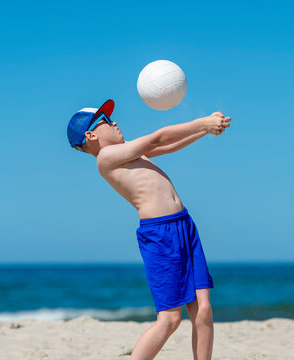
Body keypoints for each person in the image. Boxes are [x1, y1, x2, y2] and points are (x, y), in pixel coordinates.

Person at [66, 99, 231, 360]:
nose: (115, 122)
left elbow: (168, 145)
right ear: (91, 135)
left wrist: (204, 132)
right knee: (169, 319)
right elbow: (157, 138)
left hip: (184, 225)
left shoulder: (127, 151)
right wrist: (202, 122)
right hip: (161, 236)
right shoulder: (106, 158)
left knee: (203, 310)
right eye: (107, 120)